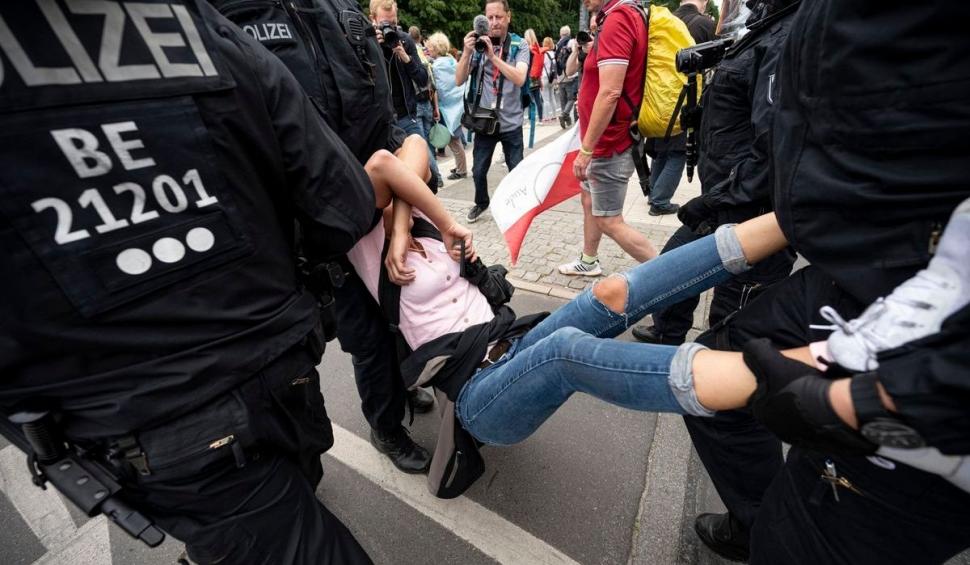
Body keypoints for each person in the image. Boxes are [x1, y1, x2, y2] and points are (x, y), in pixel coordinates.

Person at [0, 2, 378, 562]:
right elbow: (342, 206)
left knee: (275, 513)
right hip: (267, 369)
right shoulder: (195, 25)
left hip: (143, 424)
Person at [678, 1, 970, 562]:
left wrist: (875, 399)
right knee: (722, 370)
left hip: (923, 307)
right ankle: (758, 515)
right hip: (859, 255)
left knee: (804, 536)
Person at [211, 0, 437, 474]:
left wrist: (399, 202)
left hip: (379, 204)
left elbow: (383, 119)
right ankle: (386, 427)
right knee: (366, 339)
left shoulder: (344, 12)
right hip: (315, 232)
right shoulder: (228, 14)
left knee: (402, 314)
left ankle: (403, 386)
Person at [632, 1, 795, 351]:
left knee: (728, 334)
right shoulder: (765, 23)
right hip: (727, 201)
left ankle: (710, 387)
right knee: (669, 274)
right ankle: (668, 334)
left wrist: (714, 200)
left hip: (751, 215)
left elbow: (775, 148)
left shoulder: (788, 36)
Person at [558, 0, 659, 277]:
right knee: (590, 201)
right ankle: (588, 261)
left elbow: (611, 92)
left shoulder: (618, 19)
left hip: (610, 141)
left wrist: (586, 149)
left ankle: (671, 279)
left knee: (609, 219)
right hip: (608, 137)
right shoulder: (622, 15)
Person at [455, 0, 531, 223]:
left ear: (508, 16)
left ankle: (518, 208)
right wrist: (467, 52)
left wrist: (493, 57)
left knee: (516, 171)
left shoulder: (519, 45)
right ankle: (481, 202)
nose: (494, 22)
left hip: (511, 123)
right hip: (484, 122)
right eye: (490, 18)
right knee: (478, 171)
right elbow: (459, 79)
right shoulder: (478, 47)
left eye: (499, 17)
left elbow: (519, 78)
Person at [643, 0, 715, 217]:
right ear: (703, 2)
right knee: (679, 151)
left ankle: (653, 193)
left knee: (662, 150)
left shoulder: (666, 19)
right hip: (686, 98)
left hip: (657, 97)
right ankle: (660, 200)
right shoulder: (705, 24)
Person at [370, 0, 442, 192]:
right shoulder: (366, 42)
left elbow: (422, 79)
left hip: (406, 117)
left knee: (430, 172)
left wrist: (405, 57)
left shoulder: (405, 40)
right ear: (373, 19)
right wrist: (372, 47)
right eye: (384, 24)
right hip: (380, 122)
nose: (388, 29)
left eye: (392, 24)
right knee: (392, 180)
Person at [426, 32, 469, 181]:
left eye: (430, 47)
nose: (429, 49)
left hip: (447, 107)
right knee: (455, 138)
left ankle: (462, 170)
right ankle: (460, 165)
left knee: (453, 140)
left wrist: (435, 105)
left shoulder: (438, 66)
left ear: (436, 48)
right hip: (457, 105)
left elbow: (439, 88)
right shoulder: (451, 61)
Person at [525, 29, 548, 121]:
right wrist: (540, 79)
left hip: (529, 77)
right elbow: (541, 65)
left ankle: (531, 119)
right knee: (538, 99)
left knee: (530, 100)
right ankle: (540, 119)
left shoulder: (527, 49)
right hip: (537, 77)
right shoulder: (538, 49)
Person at [541, 36, 560, 121]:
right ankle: (555, 115)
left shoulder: (543, 54)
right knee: (552, 96)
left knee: (545, 99)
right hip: (552, 78)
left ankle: (547, 117)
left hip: (544, 77)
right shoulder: (553, 54)